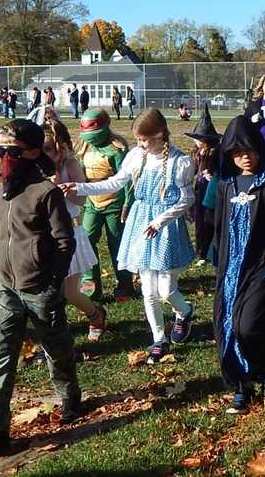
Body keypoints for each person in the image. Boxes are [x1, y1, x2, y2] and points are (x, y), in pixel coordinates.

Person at [0, 120, 81, 456]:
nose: (5, 158)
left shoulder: (46, 193)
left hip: (40, 288)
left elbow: (64, 242)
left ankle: (70, 396)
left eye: (12, 151)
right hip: (6, 286)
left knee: (56, 347)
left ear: (33, 152)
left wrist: (52, 283)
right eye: (0, 151)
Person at [63, 108, 196, 365]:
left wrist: (160, 221)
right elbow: (114, 182)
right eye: (138, 140)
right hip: (140, 223)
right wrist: (79, 187)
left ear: (159, 135)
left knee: (166, 290)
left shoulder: (180, 162)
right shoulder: (136, 156)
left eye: (144, 140)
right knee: (148, 290)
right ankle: (159, 340)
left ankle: (185, 311)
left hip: (166, 227)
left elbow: (187, 199)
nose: (140, 145)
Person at [213, 115, 265, 414]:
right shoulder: (227, 185)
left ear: (259, 149)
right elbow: (220, 228)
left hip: (261, 266)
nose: (244, 158)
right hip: (229, 270)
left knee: (248, 327)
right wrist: (215, 259)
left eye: (248, 151)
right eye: (236, 153)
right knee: (226, 329)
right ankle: (241, 386)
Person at [42, 120, 107, 342]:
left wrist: (62, 188)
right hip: (43, 237)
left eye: (49, 148)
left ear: (60, 147)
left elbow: (81, 200)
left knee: (70, 293)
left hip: (69, 235)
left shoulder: (70, 165)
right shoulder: (36, 168)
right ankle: (56, 335)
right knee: (49, 292)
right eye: (41, 149)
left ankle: (96, 315)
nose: (45, 153)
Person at [74, 109, 134, 301]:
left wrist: (127, 204)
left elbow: (127, 180)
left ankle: (125, 285)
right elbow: (80, 175)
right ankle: (91, 287)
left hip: (114, 204)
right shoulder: (84, 148)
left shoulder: (117, 150)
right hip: (92, 203)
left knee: (117, 243)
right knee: (87, 241)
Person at [186, 104, 221, 264]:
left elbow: (217, 172)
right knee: (199, 221)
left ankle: (208, 250)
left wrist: (210, 176)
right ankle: (200, 251)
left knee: (209, 222)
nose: (197, 141)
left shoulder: (215, 153)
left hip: (210, 190)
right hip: (199, 190)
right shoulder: (196, 152)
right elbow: (193, 171)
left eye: (200, 138)